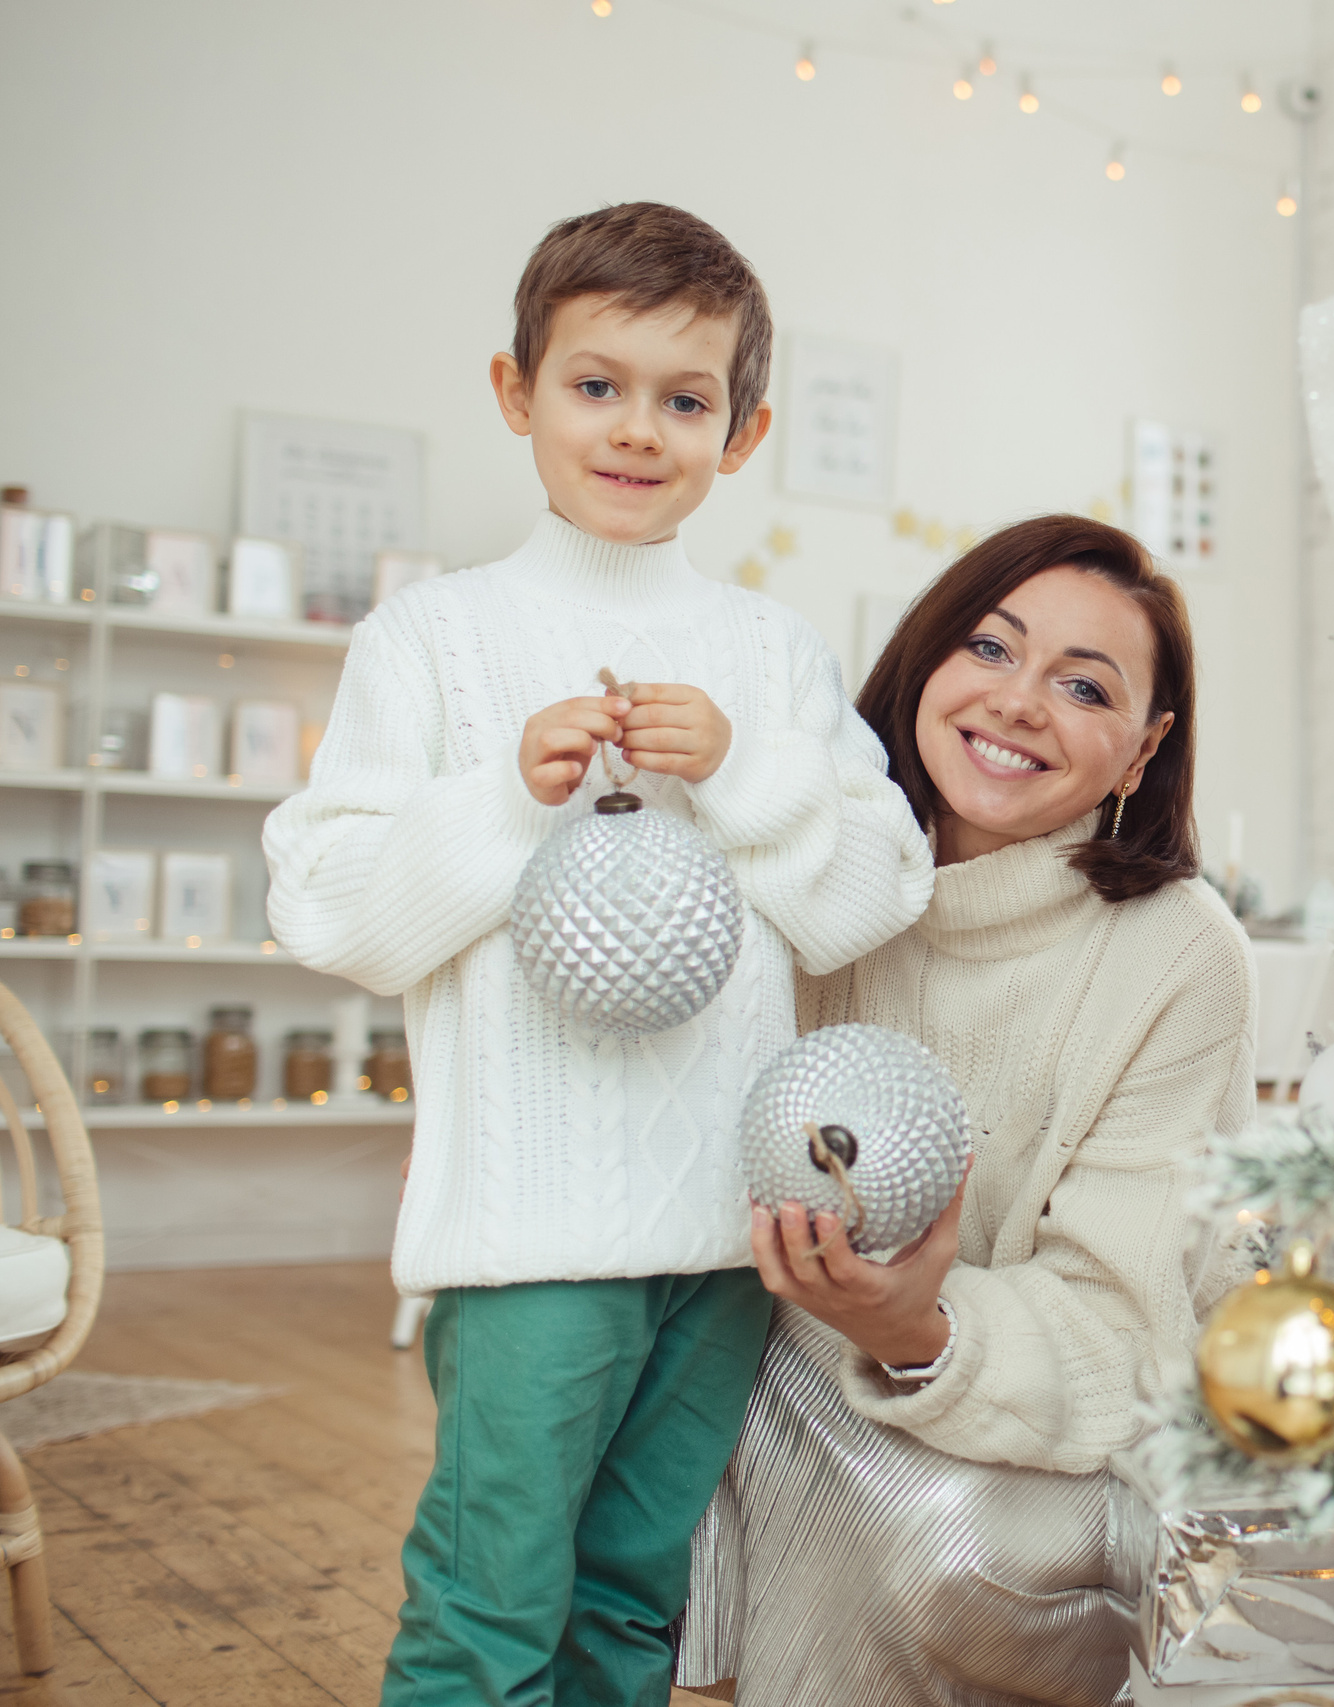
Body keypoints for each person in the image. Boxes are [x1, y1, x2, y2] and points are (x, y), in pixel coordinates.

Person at [262, 202, 935, 1707]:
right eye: (597, 385)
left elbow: (874, 891)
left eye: (685, 400)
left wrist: (751, 772)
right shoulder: (429, 642)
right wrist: (506, 791)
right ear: (517, 393)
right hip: (527, 1241)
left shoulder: (769, 656)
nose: (639, 430)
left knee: (634, 1606)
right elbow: (329, 906)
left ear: (742, 434)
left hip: (722, 1235)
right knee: (488, 1610)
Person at [676, 515, 1258, 1706]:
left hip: (1040, 1423)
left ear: (1143, 750)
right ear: (926, 659)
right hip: (767, 1354)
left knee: (930, 1541)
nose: (1020, 702)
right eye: (990, 650)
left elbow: (1121, 1324)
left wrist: (916, 1328)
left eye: (1083, 685)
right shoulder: (805, 873)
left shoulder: (1182, 957)